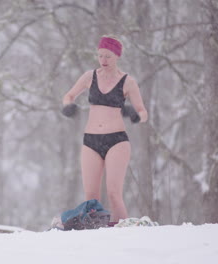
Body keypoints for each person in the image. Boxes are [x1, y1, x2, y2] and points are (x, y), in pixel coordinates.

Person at [61, 35, 148, 224]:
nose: (103, 60)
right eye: (100, 56)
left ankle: (124, 232)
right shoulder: (89, 77)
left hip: (117, 141)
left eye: (108, 56)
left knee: (114, 193)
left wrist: (135, 114)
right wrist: (68, 106)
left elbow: (144, 113)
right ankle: (96, 236)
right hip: (90, 141)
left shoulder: (127, 81)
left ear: (117, 56)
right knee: (91, 197)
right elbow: (69, 95)